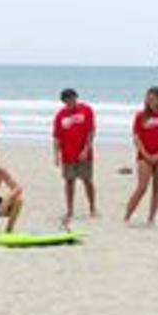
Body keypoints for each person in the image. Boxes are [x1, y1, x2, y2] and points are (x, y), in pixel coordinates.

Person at [124, 86, 158, 225]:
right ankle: (127, 215)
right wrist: (146, 154)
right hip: (144, 156)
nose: (149, 100)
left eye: (152, 98)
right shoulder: (140, 116)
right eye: (147, 98)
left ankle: (151, 217)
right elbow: (136, 137)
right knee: (142, 187)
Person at [53, 88, 98, 227]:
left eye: (72, 99)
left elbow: (91, 131)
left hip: (84, 153)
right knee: (69, 182)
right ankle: (70, 210)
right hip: (67, 154)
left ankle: (92, 207)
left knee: (87, 180)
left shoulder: (86, 110)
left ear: (76, 98)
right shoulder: (60, 115)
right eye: (66, 101)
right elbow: (57, 137)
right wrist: (56, 154)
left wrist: (86, 149)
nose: (70, 102)